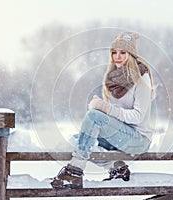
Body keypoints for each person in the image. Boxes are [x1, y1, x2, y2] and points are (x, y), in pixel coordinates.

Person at [51, 31, 156, 189]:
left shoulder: (141, 78)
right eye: (114, 52)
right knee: (76, 140)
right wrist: (101, 109)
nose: (117, 56)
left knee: (93, 119)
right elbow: (112, 116)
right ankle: (117, 167)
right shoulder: (113, 78)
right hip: (119, 135)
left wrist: (104, 109)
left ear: (132, 55)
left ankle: (74, 171)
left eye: (123, 52)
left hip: (138, 139)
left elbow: (137, 117)